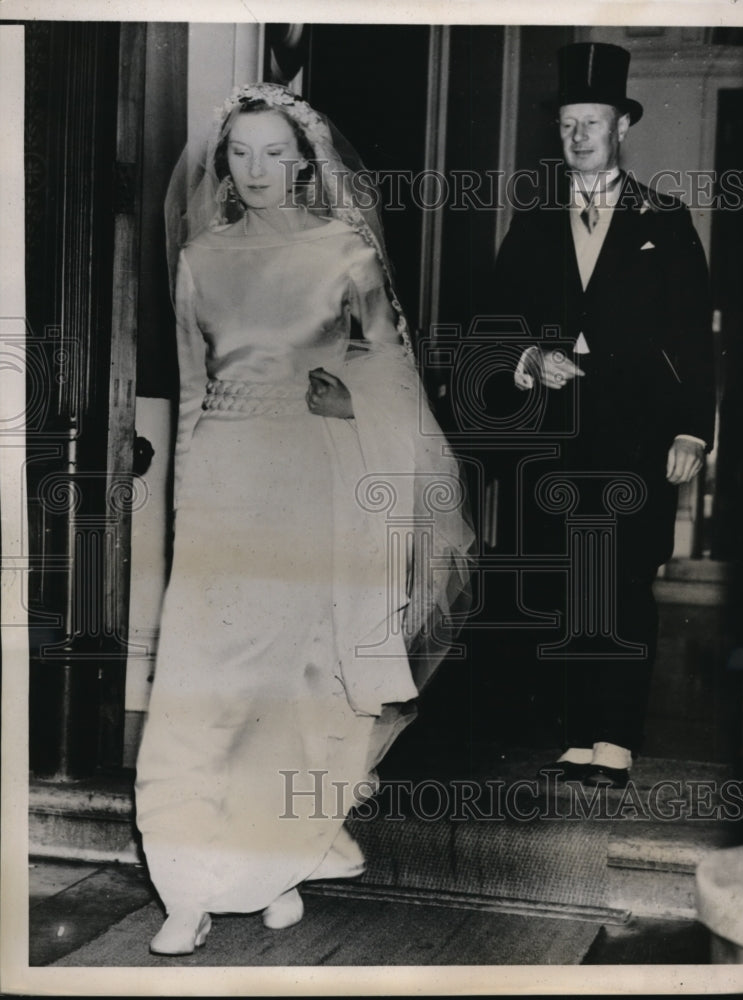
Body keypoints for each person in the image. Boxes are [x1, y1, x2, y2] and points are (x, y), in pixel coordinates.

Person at [134, 82, 473, 956]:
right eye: (240, 154)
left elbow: (393, 375)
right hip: (220, 490)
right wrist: (186, 506)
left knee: (294, 684)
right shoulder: (199, 257)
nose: (255, 170)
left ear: (302, 160)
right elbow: (193, 387)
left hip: (313, 483)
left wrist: (341, 393)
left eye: (273, 153)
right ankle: (187, 886)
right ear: (223, 163)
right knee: (201, 687)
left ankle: (278, 860)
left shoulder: (342, 252)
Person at [490, 43, 714, 787]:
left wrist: (692, 427)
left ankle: (615, 738)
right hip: (557, 432)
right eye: (567, 124)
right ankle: (578, 735)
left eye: (594, 121)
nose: (579, 135)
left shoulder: (666, 218)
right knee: (566, 579)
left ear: (622, 125)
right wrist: (528, 358)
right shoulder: (532, 222)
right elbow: (493, 323)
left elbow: (693, 334)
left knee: (620, 578)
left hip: (636, 430)